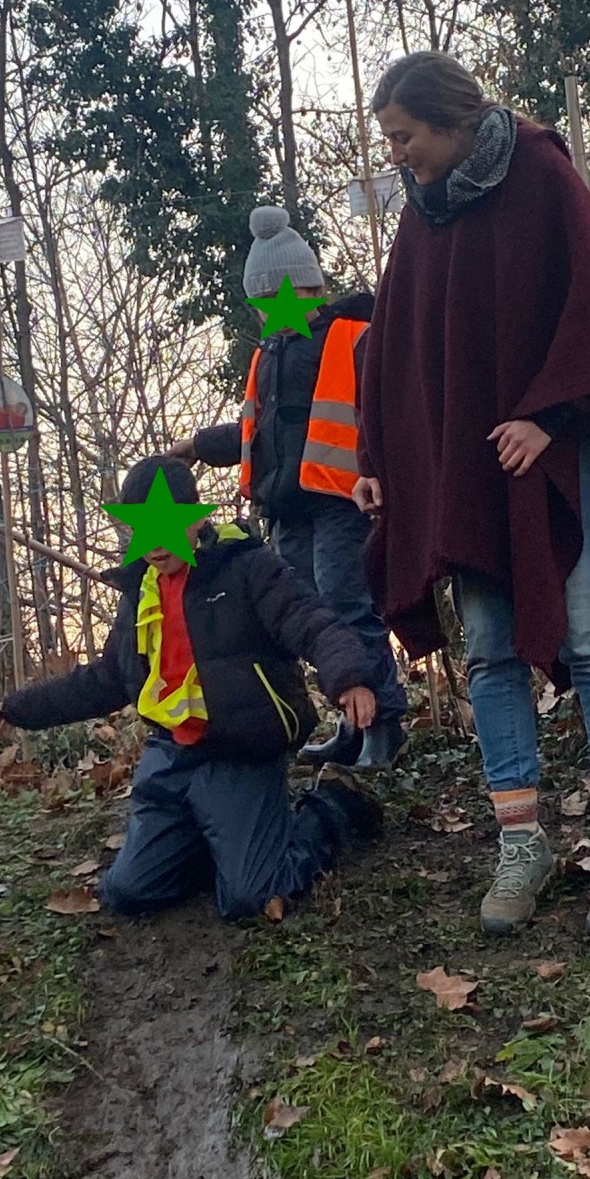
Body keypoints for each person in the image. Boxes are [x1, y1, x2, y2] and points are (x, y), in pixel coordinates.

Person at [356, 52, 590, 939]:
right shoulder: (422, 215)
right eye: (390, 142)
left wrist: (549, 418)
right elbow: (394, 342)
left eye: (403, 137)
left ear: (445, 119)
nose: (397, 155)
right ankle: (523, 841)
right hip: (467, 470)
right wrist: (378, 458)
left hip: (555, 457)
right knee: (488, 648)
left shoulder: (542, 173)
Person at [0, 456, 382, 921]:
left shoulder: (249, 569)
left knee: (249, 899)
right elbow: (107, 679)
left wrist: (349, 677)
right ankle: (211, 839)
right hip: (169, 759)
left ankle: (332, 805)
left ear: (195, 519)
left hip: (240, 753)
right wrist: (20, 709)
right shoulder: (140, 592)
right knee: (128, 893)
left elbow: (312, 623)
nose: (154, 544)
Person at [169, 206, 407, 769]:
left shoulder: (354, 334)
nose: (260, 311)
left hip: (342, 499)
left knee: (348, 607)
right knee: (310, 618)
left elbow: (383, 412)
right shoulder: (268, 356)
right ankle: (351, 729)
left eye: (264, 298)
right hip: (288, 507)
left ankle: (383, 726)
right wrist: (200, 446)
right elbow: (260, 435)